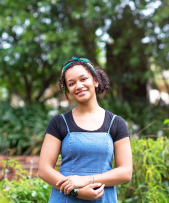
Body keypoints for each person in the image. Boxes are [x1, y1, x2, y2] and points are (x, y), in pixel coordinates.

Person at [38, 56, 132, 202]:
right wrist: (76, 192)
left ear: (95, 81)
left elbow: (126, 172)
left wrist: (87, 180)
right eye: (71, 83)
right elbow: (44, 170)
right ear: (68, 89)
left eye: (83, 79)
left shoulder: (116, 123)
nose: (79, 86)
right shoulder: (59, 123)